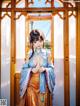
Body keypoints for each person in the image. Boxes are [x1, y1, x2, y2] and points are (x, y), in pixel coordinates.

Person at [19, 29, 55, 106]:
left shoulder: (47, 54)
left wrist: (45, 69)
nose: (38, 44)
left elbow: (51, 68)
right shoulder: (29, 54)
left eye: (40, 41)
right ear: (32, 43)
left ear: (43, 41)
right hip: (31, 86)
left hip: (43, 86)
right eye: (35, 41)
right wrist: (32, 70)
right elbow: (23, 69)